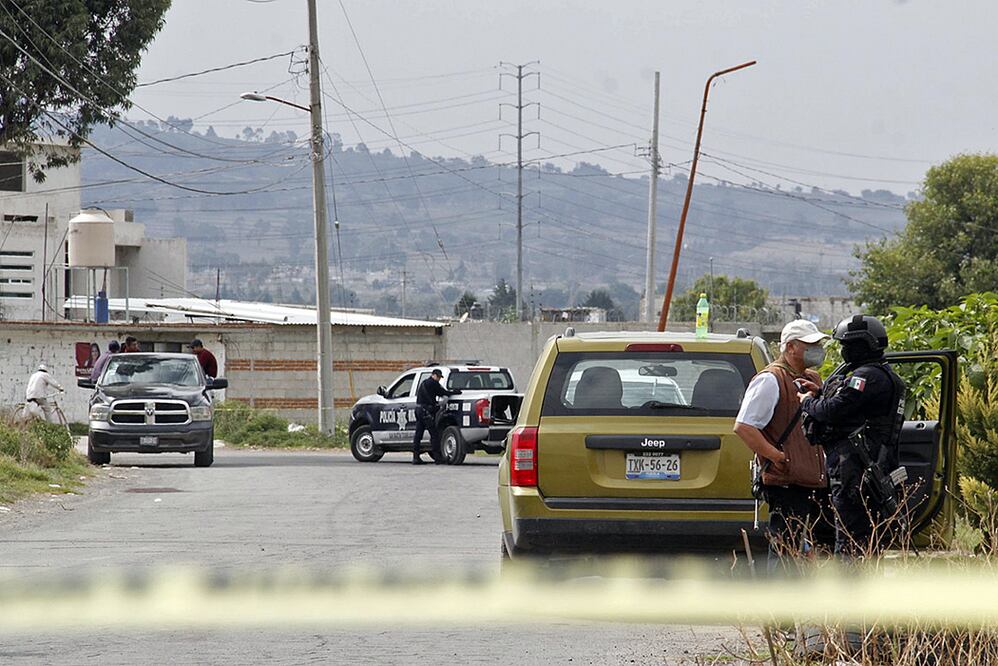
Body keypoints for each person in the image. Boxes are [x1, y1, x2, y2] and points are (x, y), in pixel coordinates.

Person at [798, 314, 907, 557]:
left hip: (854, 468)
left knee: (849, 535)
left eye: (848, 346)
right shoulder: (880, 374)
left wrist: (807, 402)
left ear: (862, 346)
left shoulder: (866, 376)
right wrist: (820, 392)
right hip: (867, 464)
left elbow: (832, 410)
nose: (844, 351)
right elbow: (850, 405)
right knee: (864, 535)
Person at [734, 319, 834, 565]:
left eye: (818, 344)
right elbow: (744, 427)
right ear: (790, 348)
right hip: (787, 480)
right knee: (785, 548)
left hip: (814, 478)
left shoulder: (812, 378)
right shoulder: (770, 379)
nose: (817, 349)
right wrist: (776, 457)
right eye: (809, 344)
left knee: (821, 545)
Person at [412, 369, 461, 465]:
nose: (438, 379)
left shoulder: (424, 383)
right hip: (426, 412)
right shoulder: (433, 383)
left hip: (419, 410)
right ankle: (438, 458)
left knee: (418, 434)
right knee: (434, 434)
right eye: (438, 377)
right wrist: (454, 392)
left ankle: (415, 457)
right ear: (433, 375)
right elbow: (443, 392)